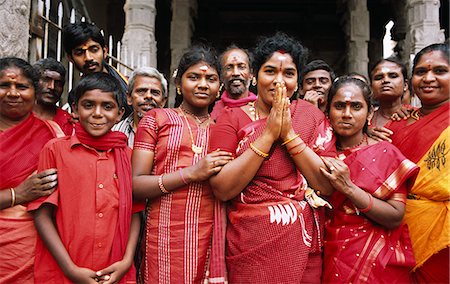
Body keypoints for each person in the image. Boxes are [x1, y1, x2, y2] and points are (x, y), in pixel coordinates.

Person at [209, 32, 336, 283]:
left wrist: (288, 134)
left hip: (301, 244)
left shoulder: (310, 116)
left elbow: (326, 185)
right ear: (254, 77)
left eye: (288, 73)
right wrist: (268, 134)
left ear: (298, 82)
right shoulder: (231, 119)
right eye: (270, 72)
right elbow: (222, 189)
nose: (279, 81)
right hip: (249, 244)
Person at [28, 73, 143, 283]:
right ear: (74, 109)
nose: (97, 114)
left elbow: (135, 213)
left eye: (107, 107)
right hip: (63, 270)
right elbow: (42, 215)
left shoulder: (128, 156)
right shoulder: (55, 150)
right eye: (88, 105)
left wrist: (126, 262)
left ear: (120, 113)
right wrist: (71, 269)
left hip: (114, 269)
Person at [132, 44, 233, 283]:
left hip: (211, 236)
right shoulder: (157, 119)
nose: (202, 84)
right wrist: (192, 173)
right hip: (164, 237)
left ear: (219, 88)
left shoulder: (225, 128)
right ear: (179, 84)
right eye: (194, 77)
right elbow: (135, 185)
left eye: (211, 78)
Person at [320, 76, 419, 283]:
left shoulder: (386, 152)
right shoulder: (317, 152)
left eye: (356, 106)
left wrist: (349, 189)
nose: (347, 114)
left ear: (369, 113)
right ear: (328, 111)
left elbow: (395, 216)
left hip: (376, 257)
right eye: (339, 106)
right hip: (327, 251)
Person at [389, 43, 449, 283]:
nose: (428, 78)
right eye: (421, 71)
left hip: (442, 236)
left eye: (440, 71)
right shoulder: (398, 124)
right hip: (396, 229)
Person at [0, 57, 59, 283]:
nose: (13, 93)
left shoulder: (52, 133)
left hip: (37, 246)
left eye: (22, 86)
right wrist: (19, 194)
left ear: (35, 92)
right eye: (5, 85)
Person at [62, 22, 132, 117]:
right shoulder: (76, 96)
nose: (88, 58)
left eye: (94, 50)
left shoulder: (130, 85)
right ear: (70, 58)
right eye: (79, 53)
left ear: (104, 52)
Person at [113, 66, 168, 147]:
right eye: (141, 91)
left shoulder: (173, 134)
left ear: (163, 102)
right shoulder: (115, 132)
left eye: (155, 92)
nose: (148, 96)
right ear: (129, 98)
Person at [211, 45, 256, 120]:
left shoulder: (261, 108)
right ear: (221, 76)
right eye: (229, 68)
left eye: (241, 67)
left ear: (251, 74)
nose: (235, 73)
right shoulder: (211, 110)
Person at [33, 57, 74, 135]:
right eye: (46, 80)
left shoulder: (69, 122)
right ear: (34, 82)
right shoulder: (17, 116)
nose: (52, 87)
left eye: (58, 83)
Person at [369, 57, 412, 129]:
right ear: (371, 87)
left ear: (405, 85)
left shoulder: (417, 116)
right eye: (379, 77)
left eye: (393, 76)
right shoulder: (365, 121)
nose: (385, 80)